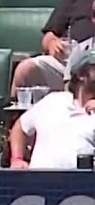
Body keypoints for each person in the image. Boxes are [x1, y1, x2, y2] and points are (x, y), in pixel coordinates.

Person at [11, 38, 95, 169]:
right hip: (37, 185)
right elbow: (20, 127)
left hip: (84, 186)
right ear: (81, 75)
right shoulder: (53, 101)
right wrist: (17, 159)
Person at [13, 0, 95, 94]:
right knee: (26, 69)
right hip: (67, 60)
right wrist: (52, 43)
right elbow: (49, 35)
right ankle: (18, 112)